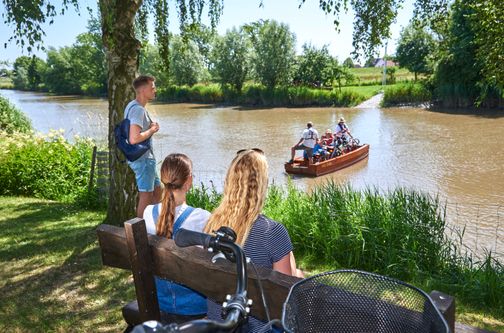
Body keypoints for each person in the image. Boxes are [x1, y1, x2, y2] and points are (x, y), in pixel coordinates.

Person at [204, 149, 303, 332]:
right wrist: (297, 273)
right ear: (261, 185)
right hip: (257, 327)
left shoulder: (211, 224)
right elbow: (284, 295)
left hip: (218, 319)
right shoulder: (271, 231)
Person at [143, 153, 211, 318]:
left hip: (159, 301)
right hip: (194, 307)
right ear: (189, 181)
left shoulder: (147, 212)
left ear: (163, 179)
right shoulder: (201, 217)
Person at [126, 75, 161, 218]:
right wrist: (152, 130)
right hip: (143, 159)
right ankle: (140, 231)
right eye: (152, 88)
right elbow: (134, 138)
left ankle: (153, 223)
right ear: (142, 90)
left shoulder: (132, 106)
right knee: (145, 197)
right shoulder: (138, 110)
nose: (155, 90)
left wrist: (150, 126)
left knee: (158, 191)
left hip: (146, 159)